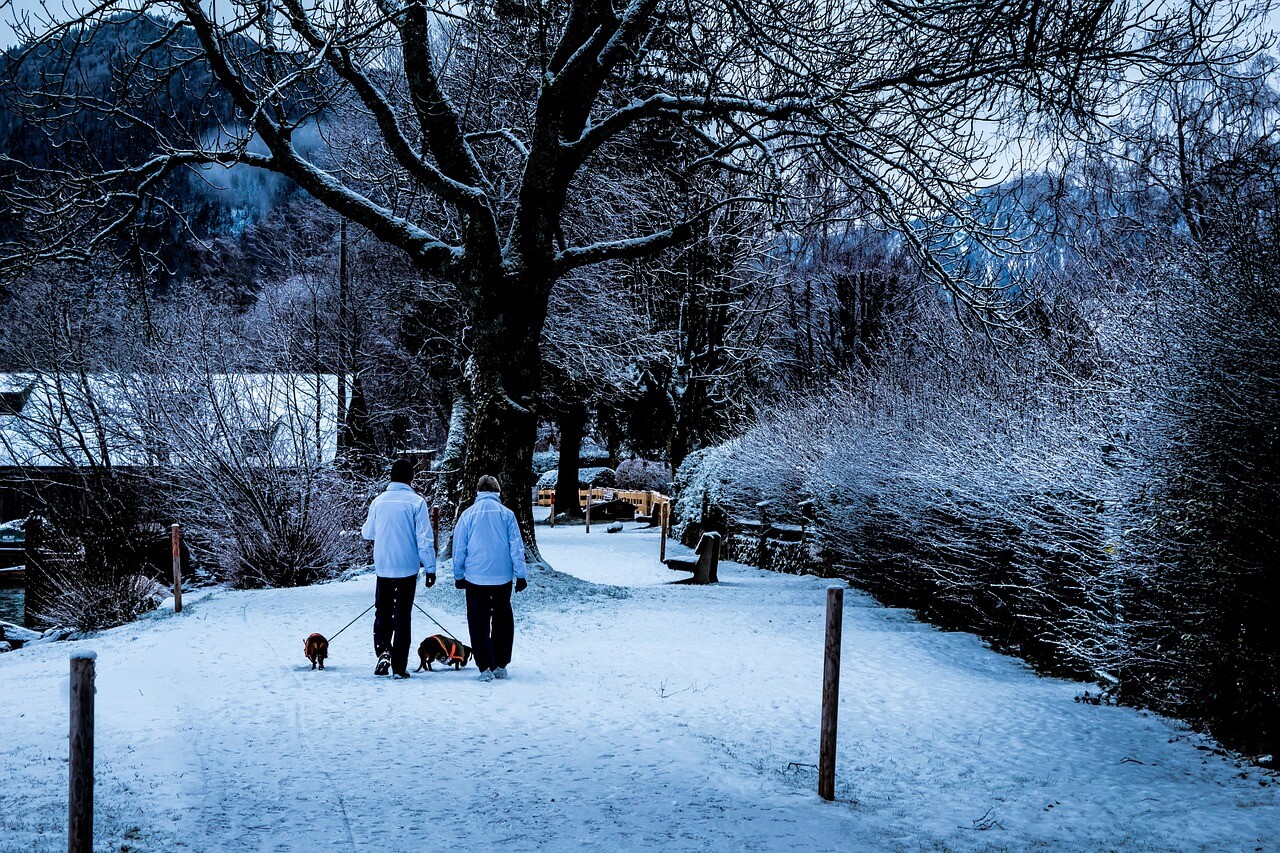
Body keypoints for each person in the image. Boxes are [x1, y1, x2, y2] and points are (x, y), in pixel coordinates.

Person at [361, 459, 436, 678]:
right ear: (411, 478)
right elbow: (424, 539)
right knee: (403, 616)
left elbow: (368, 533)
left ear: (391, 477)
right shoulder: (416, 502)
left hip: (383, 566)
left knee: (382, 612)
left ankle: (383, 650)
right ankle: (399, 665)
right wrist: (430, 568)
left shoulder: (378, 501)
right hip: (407, 568)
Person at [452, 475, 528, 682]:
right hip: (502, 576)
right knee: (503, 620)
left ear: (478, 491)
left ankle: (484, 665)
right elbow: (516, 547)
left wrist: (459, 574)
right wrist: (520, 575)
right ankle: (501, 663)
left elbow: (459, 548)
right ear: (497, 491)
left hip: (475, 577)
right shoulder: (507, 515)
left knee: (478, 621)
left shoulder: (468, 515)